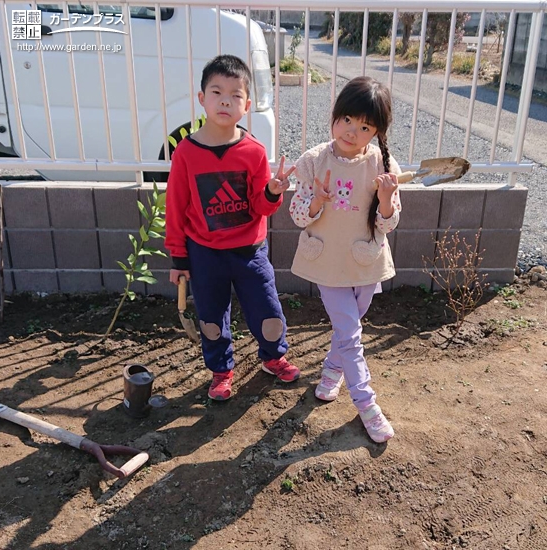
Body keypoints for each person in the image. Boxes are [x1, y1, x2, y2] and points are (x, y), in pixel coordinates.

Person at [165, 54, 300, 401]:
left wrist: (271, 192)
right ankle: (221, 371)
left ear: (247, 105)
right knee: (211, 317)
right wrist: (179, 259)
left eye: (235, 95)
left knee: (268, 311)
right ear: (202, 99)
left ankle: (274, 357)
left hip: (250, 253)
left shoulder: (253, 151)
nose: (225, 100)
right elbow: (176, 207)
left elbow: (260, 207)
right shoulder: (185, 153)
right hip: (204, 254)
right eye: (217, 92)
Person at [289, 76, 401, 443]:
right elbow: (297, 215)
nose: (353, 131)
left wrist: (386, 197)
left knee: (347, 328)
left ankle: (331, 372)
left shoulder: (384, 164)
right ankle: (367, 406)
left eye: (365, 126)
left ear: (376, 131)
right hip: (327, 261)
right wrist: (317, 201)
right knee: (351, 334)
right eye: (348, 119)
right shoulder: (313, 161)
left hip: (366, 260)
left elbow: (389, 221)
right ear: (336, 115)